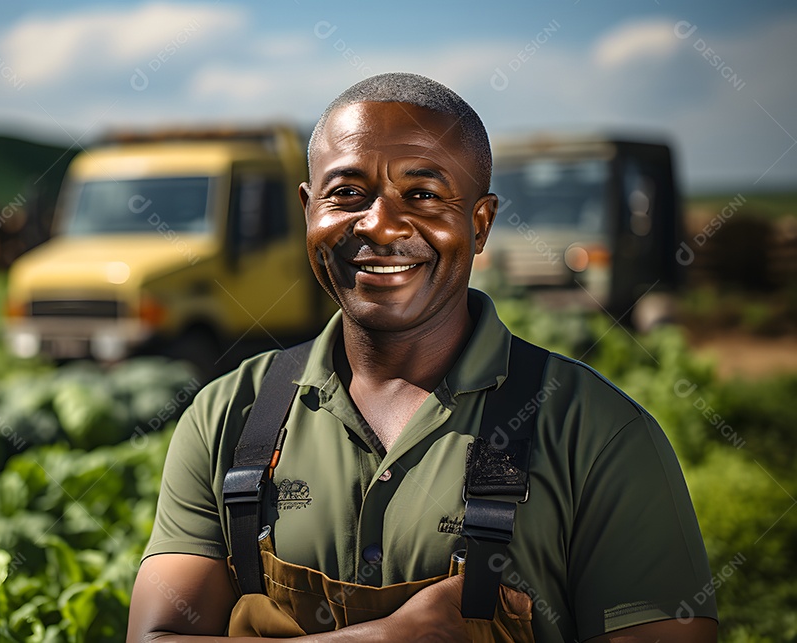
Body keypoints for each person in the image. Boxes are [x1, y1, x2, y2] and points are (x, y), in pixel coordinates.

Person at [127, 72, 718, 642]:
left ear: (480, 224)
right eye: (347, 193)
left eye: (423, 194)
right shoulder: (228, 415)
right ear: (310, 210)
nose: (380, 226)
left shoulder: (598, 434)